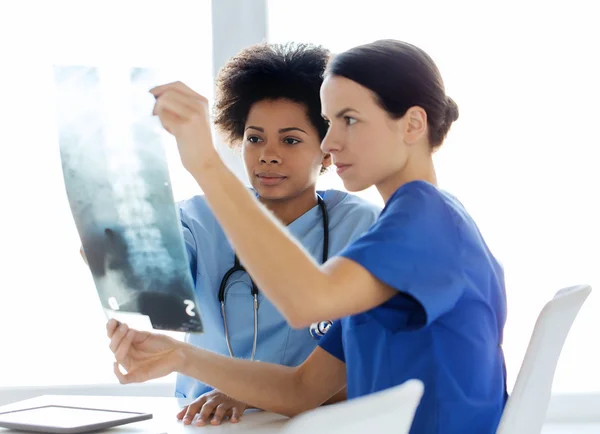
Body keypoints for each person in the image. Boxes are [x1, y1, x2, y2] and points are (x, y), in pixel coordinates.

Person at [106, 39, 508, 434]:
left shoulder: (421, 221)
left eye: (348, 119)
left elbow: (306, 303)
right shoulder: (410, 225)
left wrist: (205, 163)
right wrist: (179, 355)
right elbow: (302, 390)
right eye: (330, 122)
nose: (331, 142)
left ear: (413, 124)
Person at [88, 42, 381, 426]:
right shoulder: (200, 217)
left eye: (290, 140)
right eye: (255, 138)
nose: (267, 155)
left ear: (326, 151)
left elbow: (370, 370)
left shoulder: (363, 227)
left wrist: (253, 393)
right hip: (205, 423)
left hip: (315, 424)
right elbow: (128, 269)